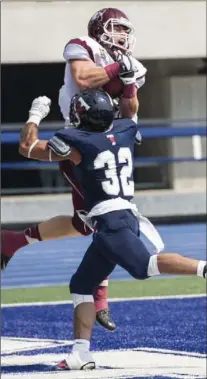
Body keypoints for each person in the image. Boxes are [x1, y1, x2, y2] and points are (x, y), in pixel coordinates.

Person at [18, 91, 206, 371]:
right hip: (124, 215)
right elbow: (130, 111)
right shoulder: (126, 129)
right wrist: (130, 85)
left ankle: (204, 268)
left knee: (145, 266)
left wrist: (35, 115)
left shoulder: (76, 142)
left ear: (82, 115)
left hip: (110, 221)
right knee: (81, 284)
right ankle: (81, 354)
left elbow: (27, 147)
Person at [1, 8, 147, 331]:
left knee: (87, 224)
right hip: (80, 136)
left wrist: (129, 83)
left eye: (126, 30)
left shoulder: (131, 64)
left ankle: (14, 241)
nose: (123, 36)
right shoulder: (82, 45)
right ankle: (99, 295)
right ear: (101, 29)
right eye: (117, 29)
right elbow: (82, 77)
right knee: (102, 219)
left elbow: (129, 110)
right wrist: (114, 68)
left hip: (111, 138)